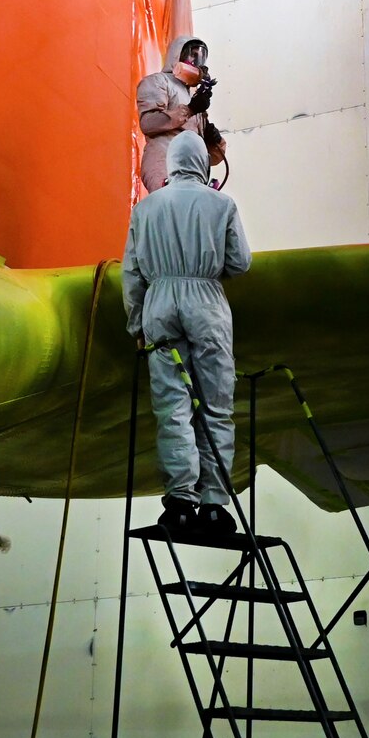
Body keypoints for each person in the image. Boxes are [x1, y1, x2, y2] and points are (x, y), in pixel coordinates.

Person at [121, 129, 251, 537]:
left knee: (172, 405)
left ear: (172, 163)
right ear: (201, 162)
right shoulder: (222, 204)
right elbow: (241, 263)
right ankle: (214, 505)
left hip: (160, 305)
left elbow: (132, 273)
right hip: (206, 303)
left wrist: (136, 322)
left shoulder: (146, 209)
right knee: (215, 405)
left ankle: (180, 501)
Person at [137, 35, 221, 192]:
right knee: (168, 208)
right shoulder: (158, 81)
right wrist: (190, 110)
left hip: (193, 172)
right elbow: (148, 122)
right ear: (177, 54)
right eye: (192, 54)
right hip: (163, 163)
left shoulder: (193, 97)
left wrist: (215, 141)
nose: (196, 61)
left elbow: (213, 159)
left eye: (200, 57)